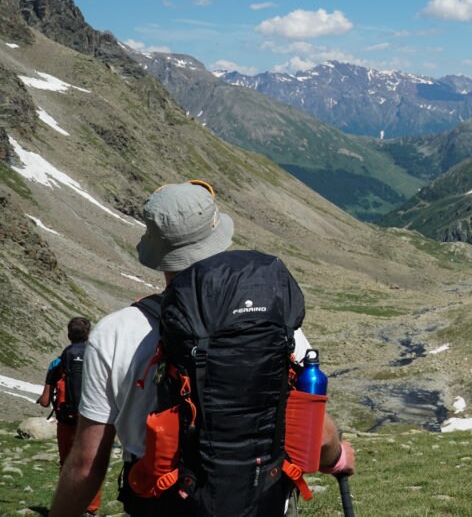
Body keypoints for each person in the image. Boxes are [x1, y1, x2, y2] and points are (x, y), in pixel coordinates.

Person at [49, 180, 354, 517]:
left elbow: (86, 465)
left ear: (157, 251)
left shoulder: (114, 333)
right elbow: (318, 433)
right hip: (262, 502)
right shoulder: (268, 320)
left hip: (164, 504)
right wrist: (337, 456)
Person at [38, 316, 103, 516]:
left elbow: (45, 401)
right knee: (92, 463)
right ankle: (91, 509)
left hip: (66, 420)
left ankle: (68, 507)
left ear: (68, 335)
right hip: (91, 419)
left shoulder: (58, 361)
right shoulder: (98, 357)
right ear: (89, 334)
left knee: (67, 463)